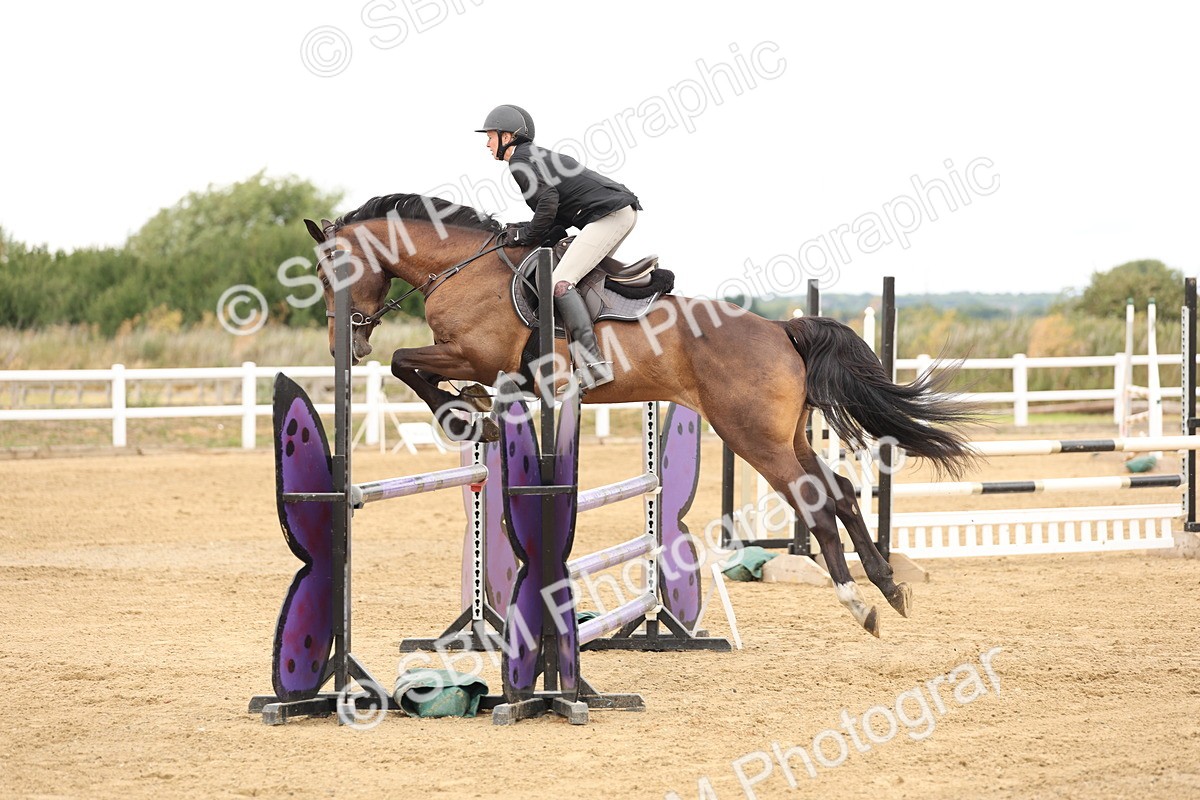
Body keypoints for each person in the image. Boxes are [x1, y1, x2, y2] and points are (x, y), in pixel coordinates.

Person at [476, 104, 642, 388]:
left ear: (507, 136)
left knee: (561, 284)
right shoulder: (532, 157)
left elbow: (548, 202)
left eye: (490, 136)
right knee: (577, 280)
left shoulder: (520, 161)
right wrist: (531, 233)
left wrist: (524, 235)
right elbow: (556, 216)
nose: (487, 143)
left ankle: (594, 364)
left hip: (610, 216)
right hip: (616, 212)